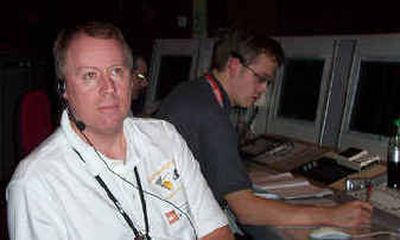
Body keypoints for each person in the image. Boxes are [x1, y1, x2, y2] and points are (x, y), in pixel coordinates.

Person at [6, 21, 233, 240]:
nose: (109, 89)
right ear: (63, 88)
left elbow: (216, 231)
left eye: (116, 71)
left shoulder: (166, 137)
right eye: (90, 75)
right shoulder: (35, 183)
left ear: (130, 78)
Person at [155, 29, 373, 239]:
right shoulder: (211, 114)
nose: (263, 90)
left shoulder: (193, 92)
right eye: (260, 78)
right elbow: (247, 210)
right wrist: (332, 215)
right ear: (234, 65)